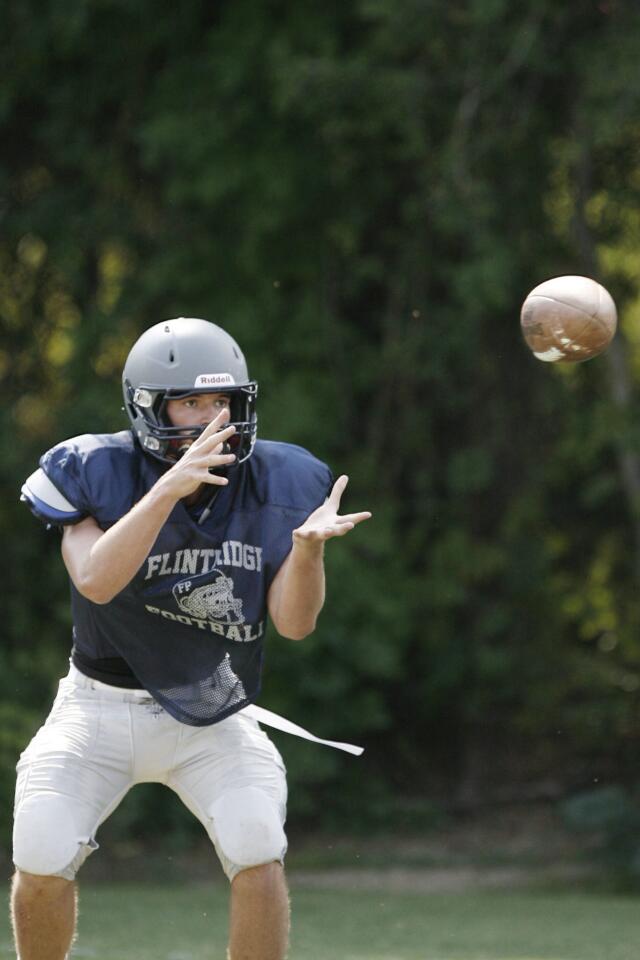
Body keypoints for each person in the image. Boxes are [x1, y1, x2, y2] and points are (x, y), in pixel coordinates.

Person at [13, 316, 371, 960]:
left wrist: (307, 551)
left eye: (221, 401)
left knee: (257, 842)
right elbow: (95, 580)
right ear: (148, 407)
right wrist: (167, 490)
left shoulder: (281, 480)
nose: (211, 417)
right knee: (39, 849)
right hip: (97, 706)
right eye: (190, 401)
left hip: (211, 712)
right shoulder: (95, 468)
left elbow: (294, 624)